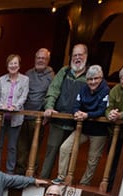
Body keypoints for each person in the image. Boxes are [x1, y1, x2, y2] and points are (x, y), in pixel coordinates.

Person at [54, 64, 110, 186]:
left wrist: (87, 115)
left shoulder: (105, 90)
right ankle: (61, 177)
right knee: (64, 148)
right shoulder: (83, 89)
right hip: (83, 128)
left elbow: (101, 110)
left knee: (92, 159)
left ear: (101, 78)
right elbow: (76, 104)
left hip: (99, 132)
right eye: (90, 79)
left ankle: (84, 183)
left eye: (96, 78)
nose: (93, 82)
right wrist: (77, 112)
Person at [40, 43, 89, 178]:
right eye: (74, 55)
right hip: (58, 121)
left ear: (86, 56)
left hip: (76, 124)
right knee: (51, 152)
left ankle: (63, 185)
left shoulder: (90, 75)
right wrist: (49, 107)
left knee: (70, 155)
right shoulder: (64, 71)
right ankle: (44, 180)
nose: (77, 58)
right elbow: (53, 90)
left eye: (80, 55)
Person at [14, 48, 53, 175]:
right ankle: (19, 172)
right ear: (35, 59)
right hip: (23, 115)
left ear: (48, 60)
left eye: (43, 58)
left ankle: (32, 173)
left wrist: (47, 113)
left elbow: (52, 95)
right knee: (21, 147)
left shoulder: (52, 76)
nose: (40, 60)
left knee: (34, 148)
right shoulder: (28, 74)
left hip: (38, 118)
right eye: (38, 58)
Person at [0, 54, 29, 172]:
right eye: (10, 63)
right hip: (0, 118)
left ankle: (10, 171)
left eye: (15, 63)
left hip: (16, 119)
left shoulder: (25, 80)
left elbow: (24, 97)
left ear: (19, 65)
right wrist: (0, 106)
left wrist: (15, 106)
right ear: (7, 65)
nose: (13, 66)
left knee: (12, 147)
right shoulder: (1, 80)